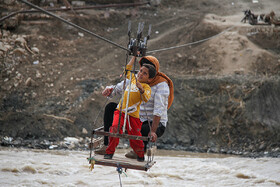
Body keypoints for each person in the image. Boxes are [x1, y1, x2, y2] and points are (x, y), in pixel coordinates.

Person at [99, 55, 174, 159]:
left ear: (152, 75)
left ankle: (139, 151)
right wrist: (110, 90)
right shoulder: (136, 78)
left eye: (146, 72)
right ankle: (106, 145)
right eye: (141, 70)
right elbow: (119, 87)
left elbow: (158, 110)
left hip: (152, 121)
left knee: (143, 129)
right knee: (110, 107)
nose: (141, 74)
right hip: (133, 116)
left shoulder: (161, 85)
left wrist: (153, 131)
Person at [103, 55, 156, 162]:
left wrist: (141, 89)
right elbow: (127, 69)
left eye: (144, 73)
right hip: (121, 111)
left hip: (133, 115)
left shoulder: (146, 88)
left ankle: (140, 154)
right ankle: (109, 152)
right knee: (114, 128)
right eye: (140, 71)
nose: (140, 74)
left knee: (135, 137)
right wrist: (134, 57)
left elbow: (146, 98)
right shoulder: (132, 80)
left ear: (149, 79)